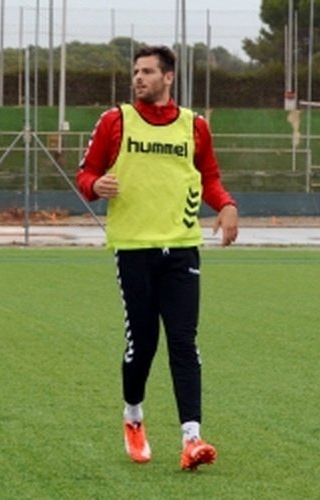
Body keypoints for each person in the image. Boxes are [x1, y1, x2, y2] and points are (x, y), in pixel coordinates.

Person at [76, 45, 239, 471]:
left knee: (184, 343)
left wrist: (225, 205)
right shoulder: (115, 121)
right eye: (135, 71)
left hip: (182, 248)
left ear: (169, 77)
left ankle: (192, 438)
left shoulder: (194, 126)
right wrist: (96, 186)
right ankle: (133, 417)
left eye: (147, 71)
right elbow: (84, 175)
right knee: (142, 345)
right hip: (133, 251)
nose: (138, 78)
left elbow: (209, 177)